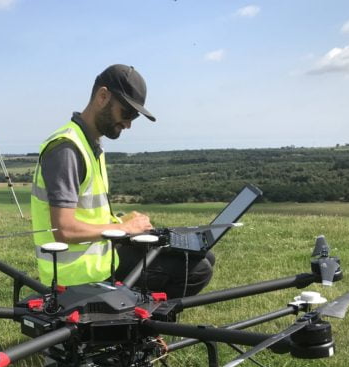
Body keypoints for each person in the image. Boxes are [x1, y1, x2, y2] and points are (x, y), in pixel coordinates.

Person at [31, 64, 214, 298]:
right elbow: (64, 230)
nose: (128, 124)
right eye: (126, 113)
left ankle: (132, 320)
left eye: (133, 117)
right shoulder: (67, 149)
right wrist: (124, 229)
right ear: (103, 96)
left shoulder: (90, 144)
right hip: (77, 273)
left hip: (100, 254)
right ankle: (139, 327)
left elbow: (86, 212)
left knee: (202, 255)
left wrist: (121, 221)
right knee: (196, 270)